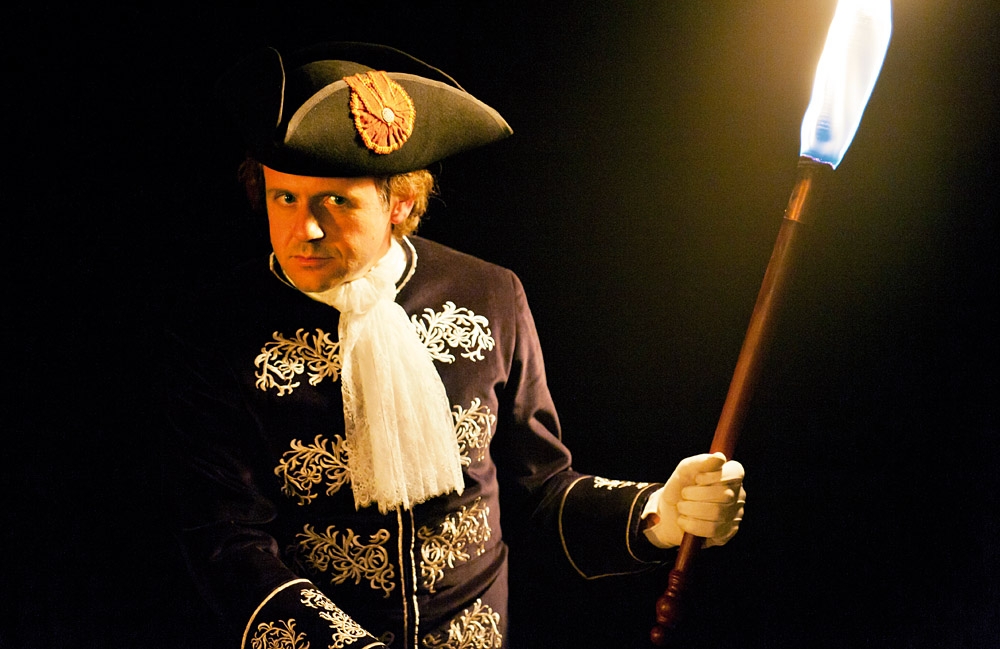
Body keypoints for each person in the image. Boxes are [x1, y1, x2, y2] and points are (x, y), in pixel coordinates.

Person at [163, 41, 746, 649]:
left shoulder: (490, 293)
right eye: (285, 197)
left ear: (400, 202)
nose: (304, 228)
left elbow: (539, 491)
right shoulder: (213, 330)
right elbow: (226, 542)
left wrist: (660, 514)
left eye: (336, 200)